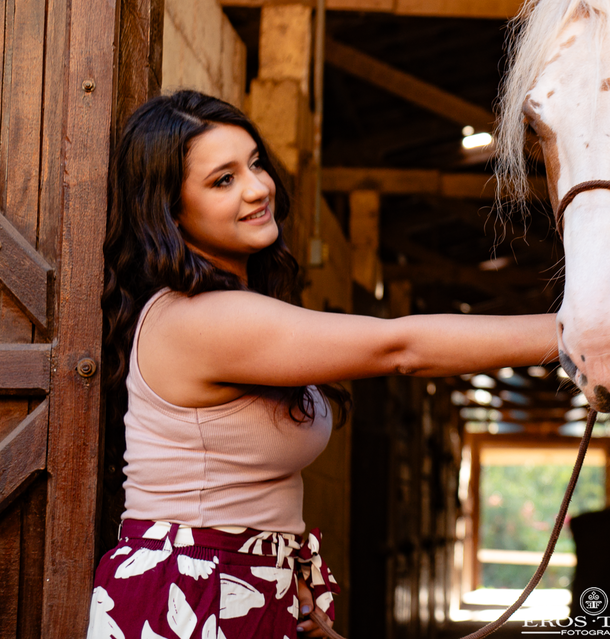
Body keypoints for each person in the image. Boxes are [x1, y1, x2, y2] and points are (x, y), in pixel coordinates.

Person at [87, 90, 558, 639]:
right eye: (224, 180)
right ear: (169, 210)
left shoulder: (231, 309)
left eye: (255, 163)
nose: (259, 188)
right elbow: (400, 348)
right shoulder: (199, 321)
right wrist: (581, 331)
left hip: (237, 588)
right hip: (190, 595)